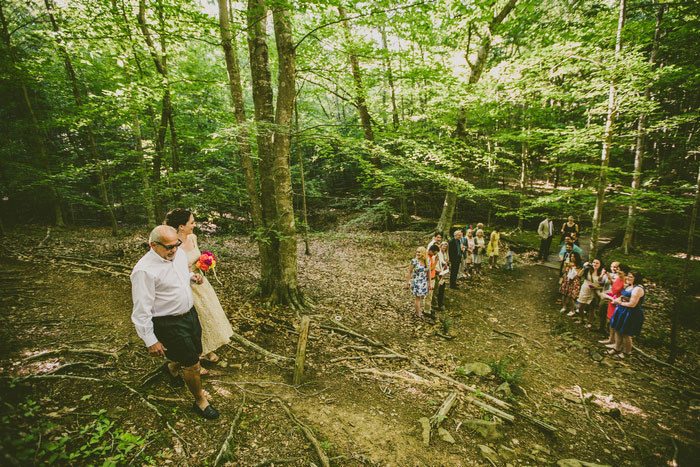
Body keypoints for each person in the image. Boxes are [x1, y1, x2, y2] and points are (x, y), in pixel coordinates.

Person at [131, 225, 219, 419]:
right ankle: (200, 401)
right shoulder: (144, 271)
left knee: (195, 351)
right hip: (168, 323)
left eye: (176, 245)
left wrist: (192, 277)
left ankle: (172, 367)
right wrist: (150, 340)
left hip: (190, 314)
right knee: (193, 364)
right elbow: (141, 310)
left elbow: (178, 275)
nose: (174, 250)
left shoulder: (177, 255)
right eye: (169, 247)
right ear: (153, 245)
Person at [165, 208, 233, 370]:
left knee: (209, 315)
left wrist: (204, 262)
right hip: (185, 287)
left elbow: (195, 258)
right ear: (181, 226)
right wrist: (188, 273)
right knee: (196, 321)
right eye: (191, 222)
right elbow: (169, 269)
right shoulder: (172, 244)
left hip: (201, 283)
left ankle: (209, 349)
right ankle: (195, 358)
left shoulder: (193, 238)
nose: (194, 225)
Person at [608, 270, 645, 359]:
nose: (628, 278)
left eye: (631, 277)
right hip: (621, 311)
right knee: (617, 329)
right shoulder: (629, 286)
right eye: (628, 276)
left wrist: (619, 303)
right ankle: (617, 348)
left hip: (630, 313)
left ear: (636, 279)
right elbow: (624, 296)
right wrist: (617, 299)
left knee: (626, 333)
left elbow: (632, 304)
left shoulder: (638, 289)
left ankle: (627, 352)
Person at [599, 263, 627, 346]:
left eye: (619, 270)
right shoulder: (618, 278)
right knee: (611, 321)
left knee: (616, 323)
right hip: (612, 300)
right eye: (617, 270)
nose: (617, 271)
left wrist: (615, 299)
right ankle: (610, 339)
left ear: (625, 272)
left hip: (618, 302)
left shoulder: (626, 281)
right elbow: (614, 287)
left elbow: (625, 294)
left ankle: (617, 343)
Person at [577, 259, 608, 328]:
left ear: (600, 265)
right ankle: (582, 318)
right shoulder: (588, 269)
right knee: (580, 306)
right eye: (594, 262)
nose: (595, 264)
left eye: (597, 263)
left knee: (592, 307)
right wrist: (584, 267)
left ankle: (590, 322)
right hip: (585, 289)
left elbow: (603, 285)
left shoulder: (601, 273)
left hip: (595, 291)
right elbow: (579, 275)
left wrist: (597, 288)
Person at [407, 246, 429, 319]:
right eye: (417, 252)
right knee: (418, 297)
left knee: (421, 297)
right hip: (417, 281)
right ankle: (418, 312)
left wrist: (429, 283)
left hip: (423, 281)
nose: (417, 253)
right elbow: (410, 272)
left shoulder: (426, 260)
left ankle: (418, 310)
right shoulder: (414, 261)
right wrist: (408, 282)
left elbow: (429, 271)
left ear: (423, 253)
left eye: (419, 252)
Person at [424, 244, 439, 317]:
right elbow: (430, 269)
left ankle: (428, 308)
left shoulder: (430, 257)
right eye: (434, 253)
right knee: (428, 295)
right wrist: (436, 262)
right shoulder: (428, 258)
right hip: (429, 279)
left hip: (432, 277)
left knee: (430, 295)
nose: (434, 255)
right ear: (430, 251)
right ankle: (426, 311)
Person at [435, 242, 449, 311]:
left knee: (442, 286)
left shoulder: (444, 253)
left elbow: (443, 262)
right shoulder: (436, 255)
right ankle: (438, 304)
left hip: (441, 271)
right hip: (437, 272)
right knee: (439, 287)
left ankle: (440, 302)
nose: (444, 248)